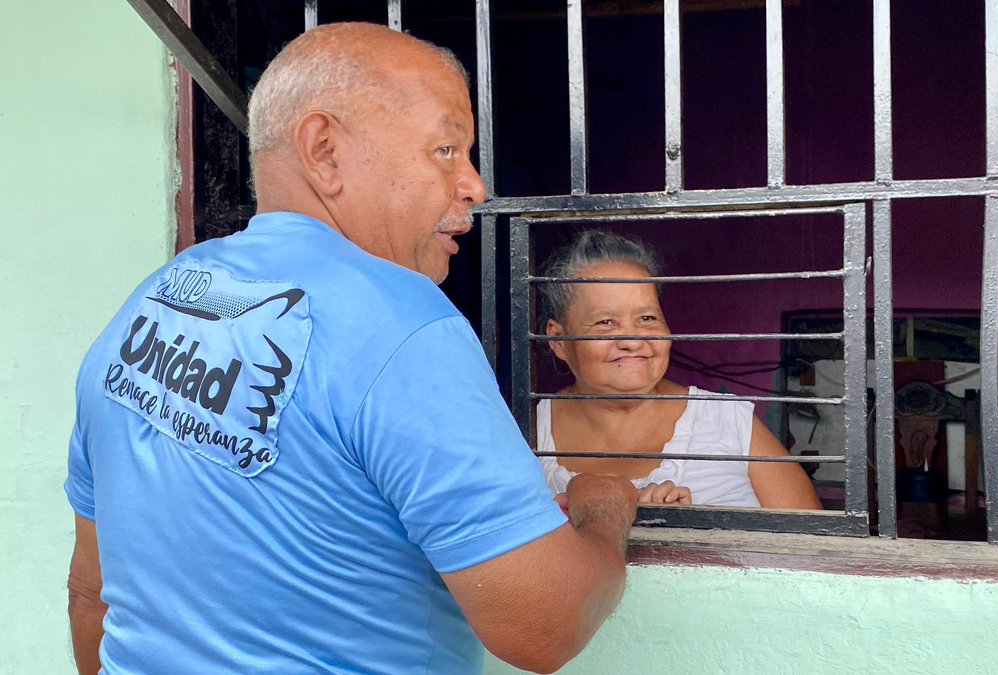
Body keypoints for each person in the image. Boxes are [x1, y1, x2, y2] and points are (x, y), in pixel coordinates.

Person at [65, 23, 638, 675]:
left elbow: (92, 591)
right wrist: (605, 512)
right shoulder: (405, 323)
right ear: (325, 150)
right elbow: (545, 624)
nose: (474, 187)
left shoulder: (149, 304)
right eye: (446, 149)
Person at [536, 230, 823, 509]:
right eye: (605, 322)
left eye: (647, 318)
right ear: (558, 340)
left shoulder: (729, 421)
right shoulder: (529, 433)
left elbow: (816, 547)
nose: (633, 340)